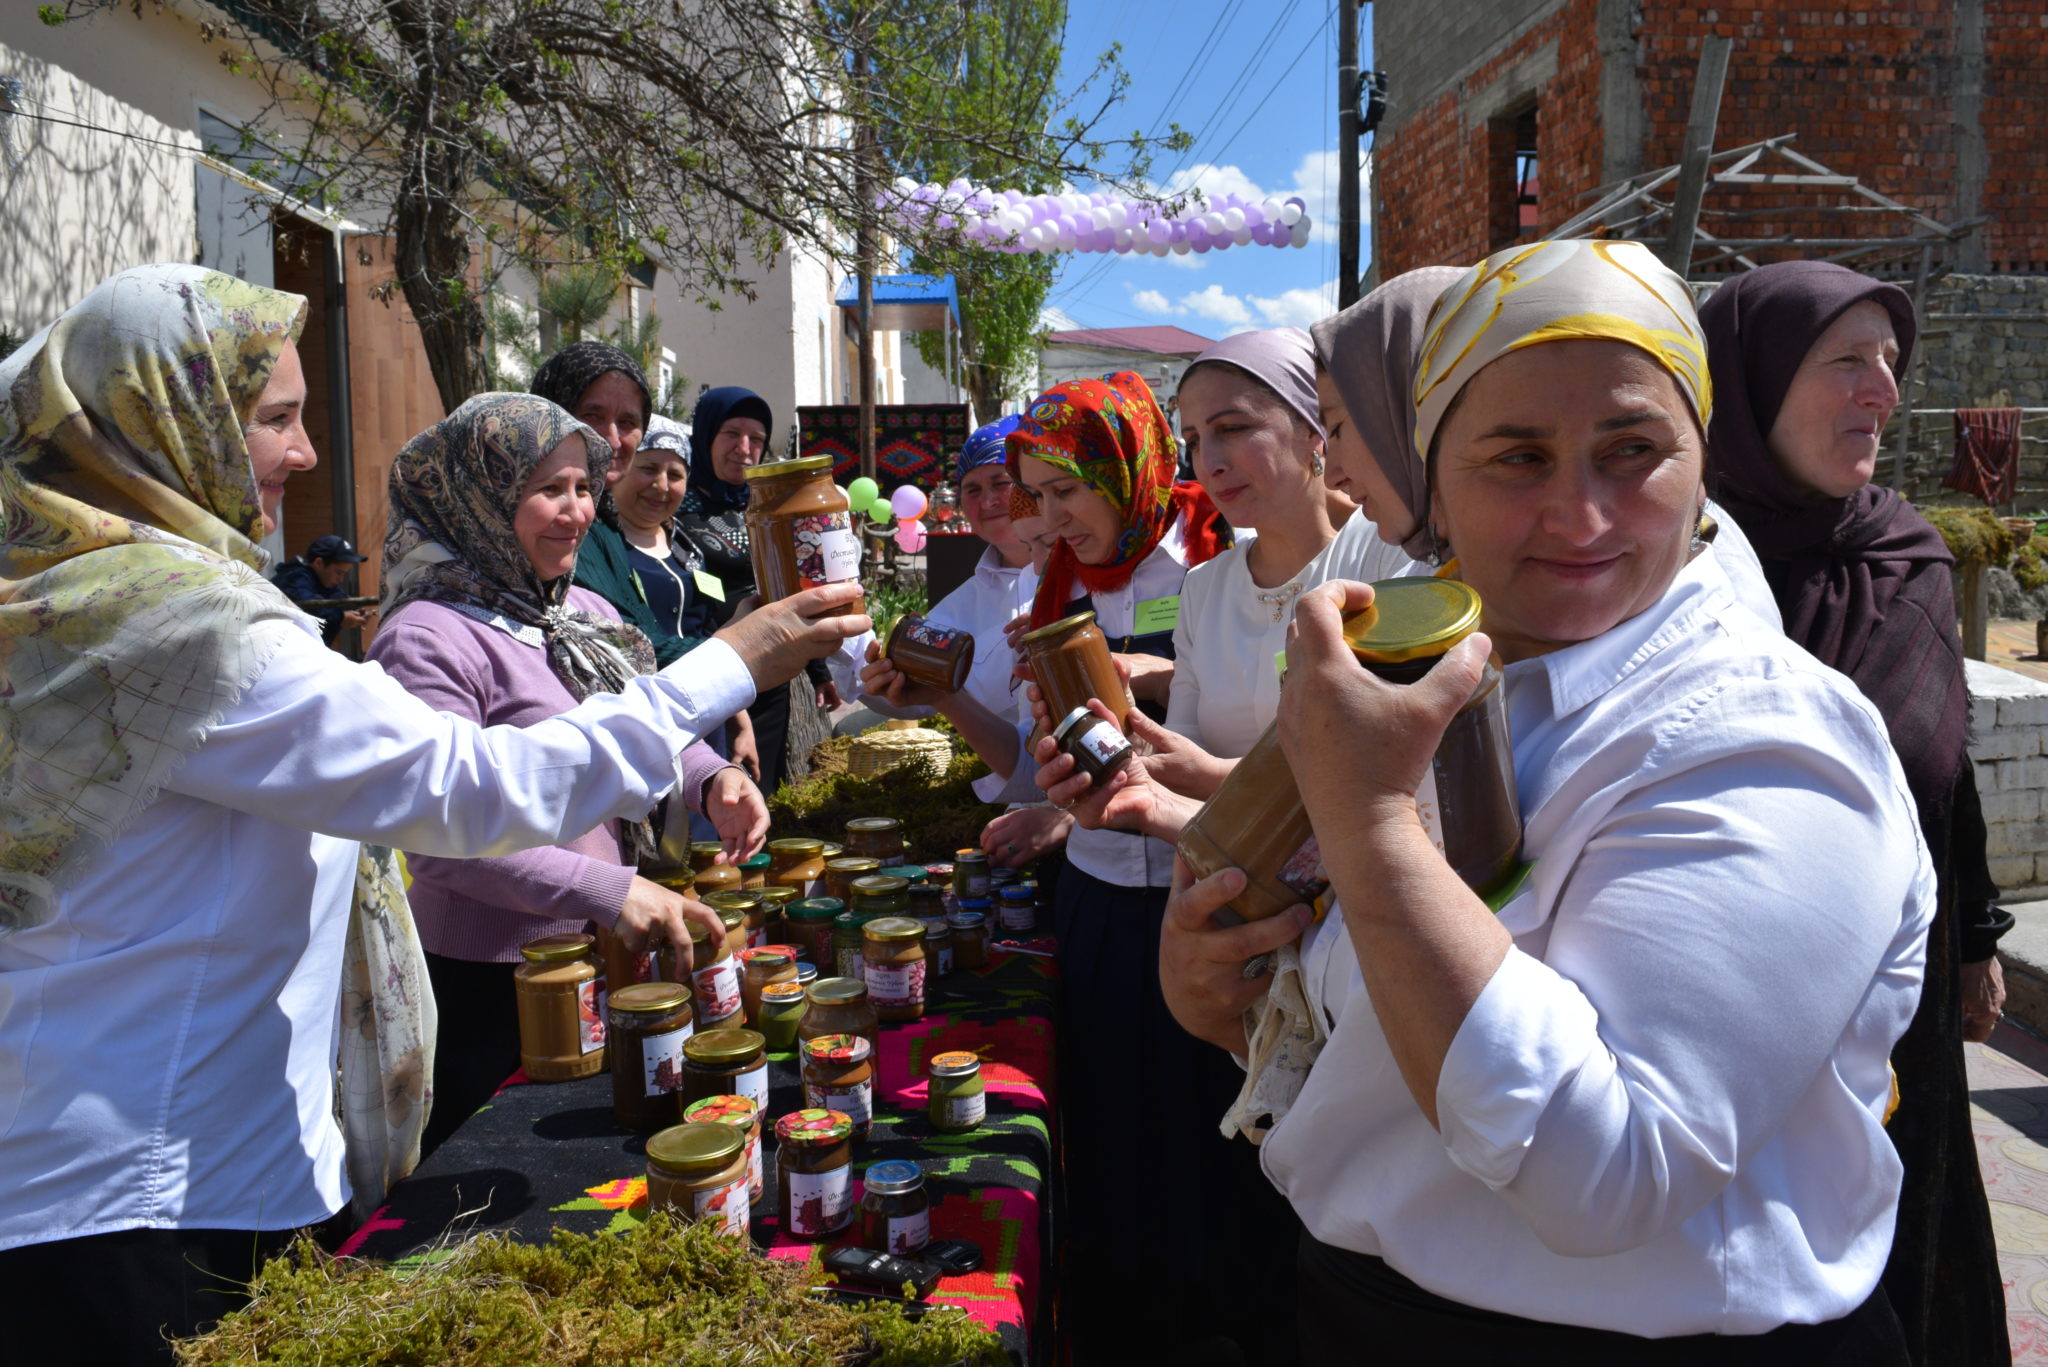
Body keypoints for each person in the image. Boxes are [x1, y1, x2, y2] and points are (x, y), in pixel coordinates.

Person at [0, 265, 866, 1363]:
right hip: (142, 1189)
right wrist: (739, 657)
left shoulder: (66, 597)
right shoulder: (183, 630)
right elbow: (476, 790)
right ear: (160, 427)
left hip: (135, 1160)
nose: (308, 454)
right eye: (274, 419)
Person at [1160, 240, 1929, 1362]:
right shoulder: (1438, 677)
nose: (1578, 515)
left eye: (1632, 450)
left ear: (1700, 462)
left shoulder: (1767, 741)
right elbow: (1392, 1032)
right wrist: (1234, 1007)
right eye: (1515, 457)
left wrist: (1371, 831)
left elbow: (1603, 1173)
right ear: (1433, 481)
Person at [1701, 260, 2011, 1367]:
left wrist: (1974, 935)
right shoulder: (1676, 574)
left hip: (1899, 993)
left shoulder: (1902, 552)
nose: (1881, 388)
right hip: (1729, 994)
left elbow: (1943, 762)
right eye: (1844, 360)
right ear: (1745, 385)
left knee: (1911, 1234)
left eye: (1889, 361)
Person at [365, 393, 769, 1158]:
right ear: (480, 498)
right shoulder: (426, 637)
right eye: (549, 490)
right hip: (493, 986)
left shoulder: (577, 609)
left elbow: (631, 728)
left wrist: (710, 777)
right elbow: (438, 838)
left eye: (585, 488)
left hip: (603, 955)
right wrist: (608, 889)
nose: (577, 512)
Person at [999, 371, 1246, 1355]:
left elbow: (1270, 703)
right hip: (1099, 891)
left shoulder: (1215, 564)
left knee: (1210, 1129)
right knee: (1112, 1121)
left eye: (1068, 489)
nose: (1052, 516)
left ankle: (1215, 1319)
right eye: (1037, 493)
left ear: (1126, 468)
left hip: (1203, 882)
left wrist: (1158, 668)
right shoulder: (1052, 586)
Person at [857, 417, 1065, 857]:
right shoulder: (963, 601)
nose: (988, 500)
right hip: (1019, 818)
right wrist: (858, 655)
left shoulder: (1086, 578)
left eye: (1000, 481)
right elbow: (912, 694)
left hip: (1091, 818)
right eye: (972, 488)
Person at [676, 385, 835, 795]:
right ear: (705, 435)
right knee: (722, 786)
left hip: (774, 672)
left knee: (772, 783)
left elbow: (789, 587)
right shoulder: (675, 507)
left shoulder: (767, 505)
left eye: (757, 439)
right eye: (731, 434)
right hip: (710, 670)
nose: (744, 448)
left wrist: (819, 670)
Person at [270, 532, 374, 646]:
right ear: (319, 563)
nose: (341, 580)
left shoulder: (323, 582)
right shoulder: (294, 578)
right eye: (338, 572)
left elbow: (339, 598)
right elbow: (310, 607)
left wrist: (356, 609)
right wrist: (341, 617)